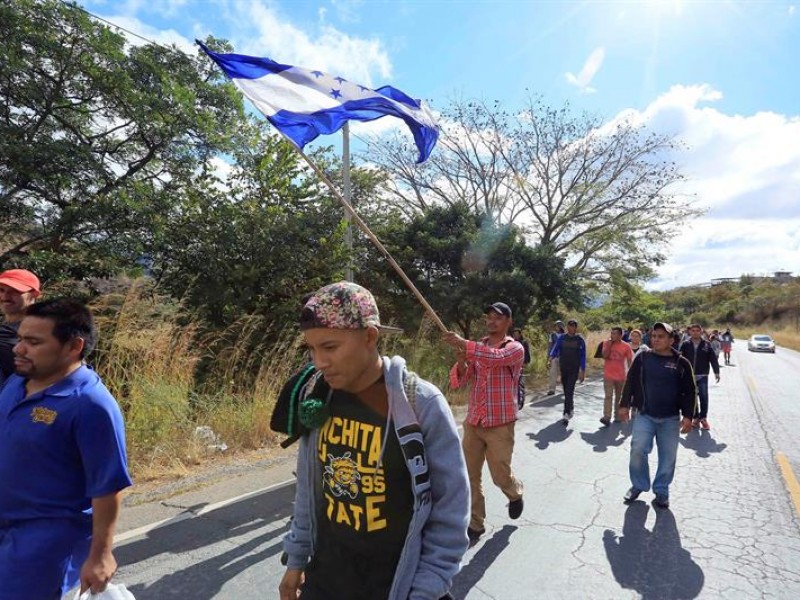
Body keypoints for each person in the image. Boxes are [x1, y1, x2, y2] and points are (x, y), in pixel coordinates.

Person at [278, 282, 469, 600]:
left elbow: (451, 509)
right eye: (311, 350)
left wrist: (425, 590)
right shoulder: (317, 396)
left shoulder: (419, 404)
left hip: (397, 587)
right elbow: (308, 489)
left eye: (330, 347)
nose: (319, 362)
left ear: (370, 336)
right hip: (326, 581)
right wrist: (296, 560)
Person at [0, 298, 132, 599]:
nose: (18, 349)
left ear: (73, 347)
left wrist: (101, 555)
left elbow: (107, 486)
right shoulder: (18, 383)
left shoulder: (91, 405)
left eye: (33, 342)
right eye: (20, 339)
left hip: (44, 541)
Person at [444, 302, 525, 543]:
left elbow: (495, 358)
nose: (491, 321)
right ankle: (475, 523)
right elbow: (460, 381)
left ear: (508, 322)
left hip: (500, 423)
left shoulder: (514, 348)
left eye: (497, 318)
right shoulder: (478, 347)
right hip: (474, 421)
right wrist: (461, 360)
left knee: (499, 475)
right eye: (488, 317)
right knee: (468, 475)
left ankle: (514, 492)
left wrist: (465, 344)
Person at [618, 322, 696, 509]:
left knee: (668, 458)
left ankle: (661, 491)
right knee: (637, 450)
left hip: (670, 419)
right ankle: (638, 485)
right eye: (654, 336)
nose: (656, 339)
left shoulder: (681, 363)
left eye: (661, 336)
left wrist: (688, 416)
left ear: (671, 340)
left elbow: (690, 391)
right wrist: (624, 404)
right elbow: (630, 381)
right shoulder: (643, 357)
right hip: (645, 414)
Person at [0, 268, 41, 387]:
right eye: (1, 290)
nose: (5, 296)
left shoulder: (38, 330)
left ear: (34, 294)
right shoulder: (6, 326)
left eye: (15, 291)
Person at [680, 324, 721, 430]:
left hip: (702, 375)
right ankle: (695, 418)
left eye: (697, 330)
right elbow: (679, 358)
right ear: (690, 332)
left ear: (701, 332)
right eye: (693, 330)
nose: (695, 332)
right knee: (692, 398)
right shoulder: (685, 344)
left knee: (703, 396)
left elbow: (713, 359)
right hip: (689, 375)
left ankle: (703, 418)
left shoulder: (707, 345)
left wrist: (716, 372)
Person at [548, 319, 586, 425]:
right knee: (566, 391)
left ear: (576, 328)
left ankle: (566, 413)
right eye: (569, 326)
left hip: (574, 368)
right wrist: (551, 358)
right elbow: (555, 349)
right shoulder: (562, 338)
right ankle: (571, 406)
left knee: (569, 390)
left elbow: (583, 355)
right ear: (567, 327)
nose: (571, 328)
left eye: (573, 326)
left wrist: (582, 370)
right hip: (564, 367)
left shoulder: (580, 340)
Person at [600, 327, 634, 426]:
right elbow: (605, 356)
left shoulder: (626, 346)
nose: (612, 335)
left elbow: (629, 361)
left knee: (619, 397)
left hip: (620, 376)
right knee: (608, 396)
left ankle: (617, 415)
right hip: (608, 375)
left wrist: (630, 375)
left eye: (615, 334)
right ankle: (607, 417)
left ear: (620, 335)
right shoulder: (606, 343)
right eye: (611, 333)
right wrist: (609, 345)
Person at [546, 320, 565, 394]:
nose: (556, 327)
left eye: (558, 326)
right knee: (552, 373)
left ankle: (565, 388)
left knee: (563, 373)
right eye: (555, 326)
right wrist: (548, 358)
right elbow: (550, 347)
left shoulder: (565, 335)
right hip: (553, 357)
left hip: (563, 357)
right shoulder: (552, 335)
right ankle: (552, 389)